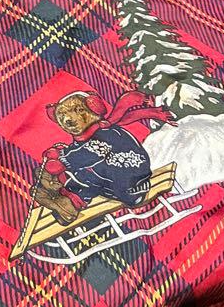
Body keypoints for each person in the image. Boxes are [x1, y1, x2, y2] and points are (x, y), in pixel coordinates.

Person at [32, 91, 167, 224]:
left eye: (79, 110)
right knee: (91, 173)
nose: (68, 119)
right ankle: (63, 199)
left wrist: (62, 159)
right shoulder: (86, 138)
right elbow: (80, 150)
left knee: (89, 172)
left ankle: (69, 197)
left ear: (94, 110)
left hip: (132, 186)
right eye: (62, 115)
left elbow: (90, 153)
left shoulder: (106, 133)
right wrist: (59, 154)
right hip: (115, 184)